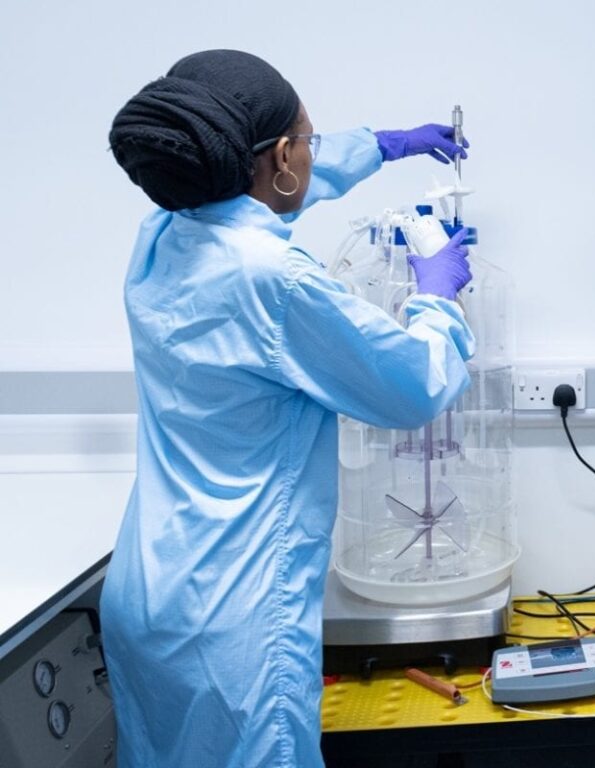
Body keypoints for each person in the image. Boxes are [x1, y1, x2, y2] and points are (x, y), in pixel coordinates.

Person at [101, 49, 474, 768]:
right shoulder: (272, 282)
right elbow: (416, 386)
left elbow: (276, 181)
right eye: (307, 137)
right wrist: (437, 296)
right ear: (278, 156)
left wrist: (383, 146)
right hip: (234, 621)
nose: (312, 150)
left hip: (149, 594)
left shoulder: (161, 238)